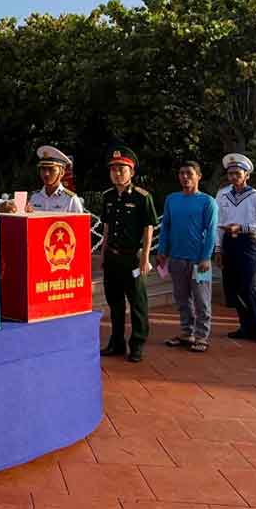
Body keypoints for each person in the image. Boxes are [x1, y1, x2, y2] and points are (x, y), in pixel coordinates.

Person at [98, 147, 157, 363]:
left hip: (133, 257)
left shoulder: (143, 197)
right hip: (113, 256)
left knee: (137, 303)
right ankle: (117, 342)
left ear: (131, 172)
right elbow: (106, 228)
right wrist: (103, 253)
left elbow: (148, 228)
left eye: (121, 169)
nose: (117, 173)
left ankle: (137, 344)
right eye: (113, 169)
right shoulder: (108, 196)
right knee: (115, 302)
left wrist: (145, 257)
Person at [157, 161, 219, 353]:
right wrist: (162, 250)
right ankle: (186, 333)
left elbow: (211, 232)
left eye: (189, 173)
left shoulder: (208, 201)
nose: (185, 177)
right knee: (182, 299)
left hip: (199, 261)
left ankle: (201, 336)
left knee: (202, 300)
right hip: (176, 258)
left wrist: (206, 257)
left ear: (198, 176)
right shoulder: (172, 199)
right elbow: (165, 227)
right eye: (182, 173)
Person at [215, 153, 256, 343]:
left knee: (249, 286)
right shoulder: (223, 195)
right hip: (228, 242)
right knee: (234, 287)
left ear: (246, 175)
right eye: (230, 173)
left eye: (237, 173)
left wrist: (243, 228)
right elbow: (217, 223)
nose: (233, 177)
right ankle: (245, 326)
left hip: (247, 242)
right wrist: (218, 248)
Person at [28, 145, 85, 212]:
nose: (46, 174)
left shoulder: (71, 199)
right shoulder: (34, 198)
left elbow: (79, 219)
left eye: (51, 169)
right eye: (43, 169)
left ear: (62, 172)